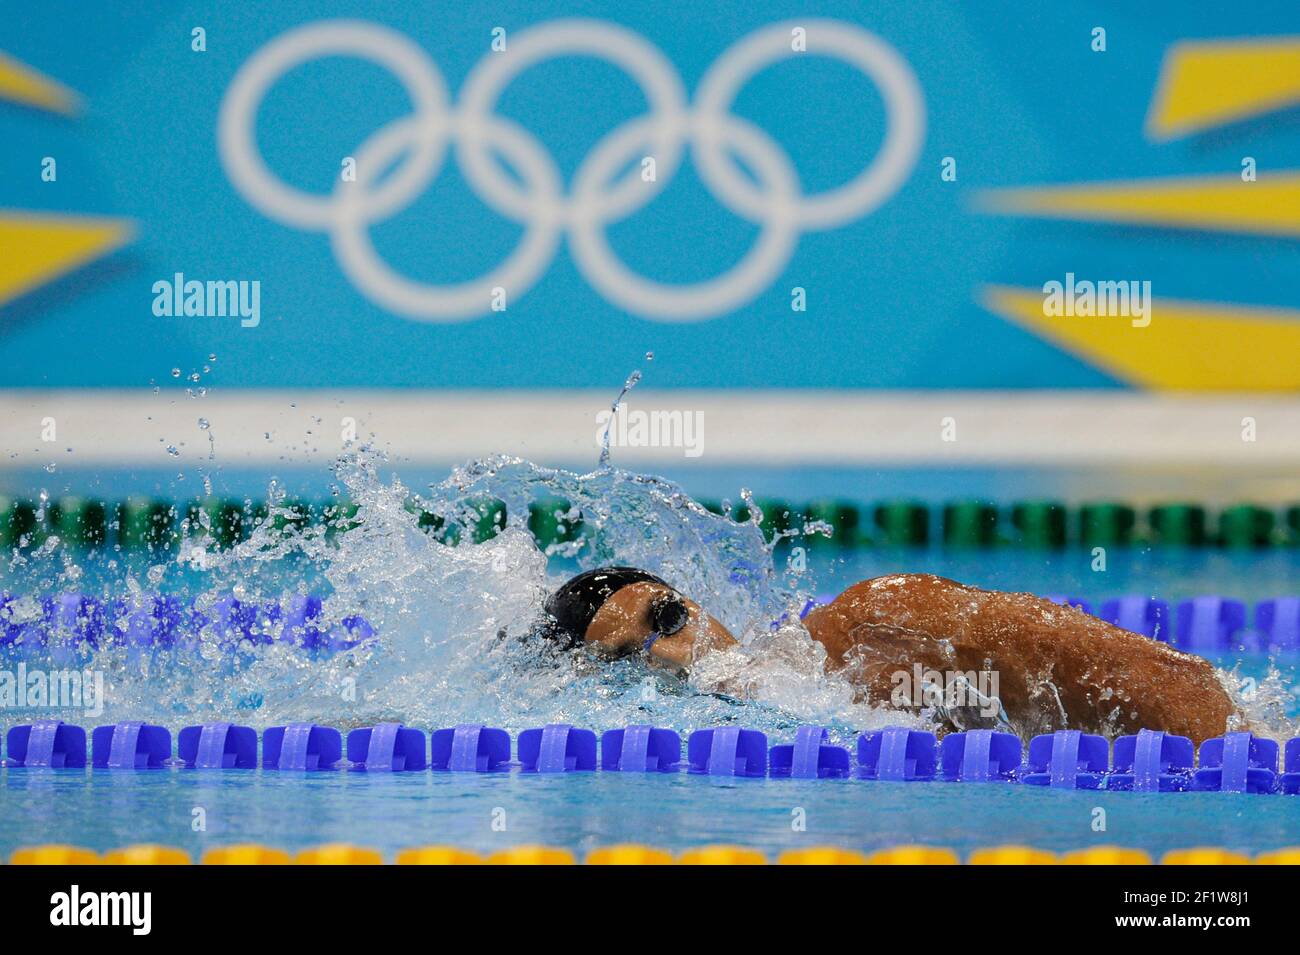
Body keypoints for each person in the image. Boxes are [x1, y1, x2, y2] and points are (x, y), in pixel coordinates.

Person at [539, 566, 1236, 743]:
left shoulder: (881, 622)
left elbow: (1168, 682)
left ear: (698, 601)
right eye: (630, 660)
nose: (670, 655)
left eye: (666, 617)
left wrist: (1254, 750)